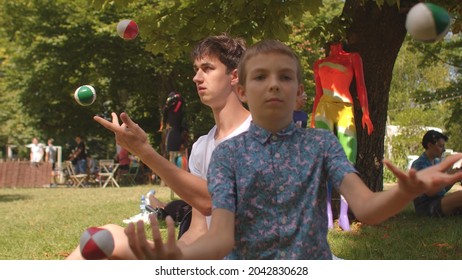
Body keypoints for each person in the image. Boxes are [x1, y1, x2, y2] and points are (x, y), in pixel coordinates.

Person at [126, 39, 462, 260]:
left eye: (284, 77)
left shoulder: (321, 144)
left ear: (299, 92)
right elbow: (220, 237)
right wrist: (176, 259)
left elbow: (368, 208)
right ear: (242, 90)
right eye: (260, 77)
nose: (273, 84)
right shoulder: (227, 156)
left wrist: (404, 192)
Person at [66, 34, 250, 259]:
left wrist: (143, 151)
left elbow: (214, 200)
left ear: (234, 76)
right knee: (104, 238)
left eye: (207, 68)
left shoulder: (260, 135)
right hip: (202, 257)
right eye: (196, 69)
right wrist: (168, 255)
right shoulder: (202, 147)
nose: (196, 77)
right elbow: (199, 229)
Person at [311, 42, 374, 231]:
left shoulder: (352, 57)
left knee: (347, 157)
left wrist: (366, 113)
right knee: (324, 159)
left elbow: (361, 86)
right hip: (323, 109)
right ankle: (328, 213)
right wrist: (313, 118)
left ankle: (344, 214)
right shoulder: (319, 63)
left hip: (345, 108)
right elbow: (318, 94)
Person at [411, 130, 462, 217]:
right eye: (441, 146)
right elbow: (430, 191)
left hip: (439, 201)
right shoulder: (419, 164)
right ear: (430, 145)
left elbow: (442, 190)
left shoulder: (437, 162)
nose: (444, 149)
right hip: (426, 207)